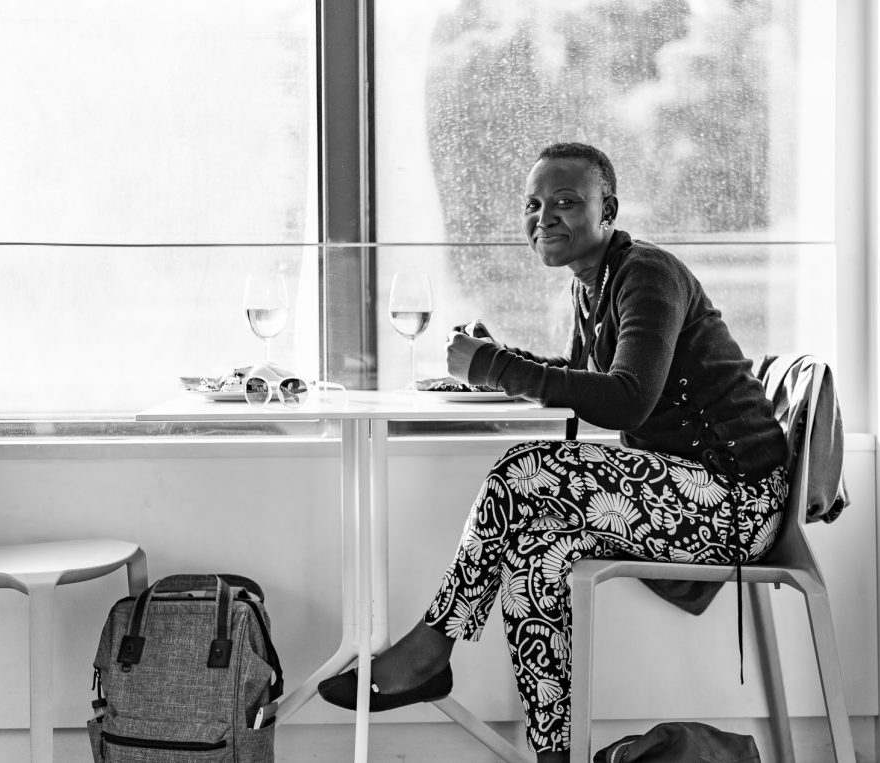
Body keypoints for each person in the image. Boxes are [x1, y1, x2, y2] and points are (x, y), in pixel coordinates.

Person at [319, 142, 789, 761]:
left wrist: (494, 366)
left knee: (524, 468)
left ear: (608, 210)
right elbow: (584, 379)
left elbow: (625, 400)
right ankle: (554, 754)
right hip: (684, 492)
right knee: (535, 555)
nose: (544, 217)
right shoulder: (590, 286)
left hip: (735, 502)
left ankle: (433, 645)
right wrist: (500, 359)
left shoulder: (647, 275)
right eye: (533, 205)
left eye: (566, 201)